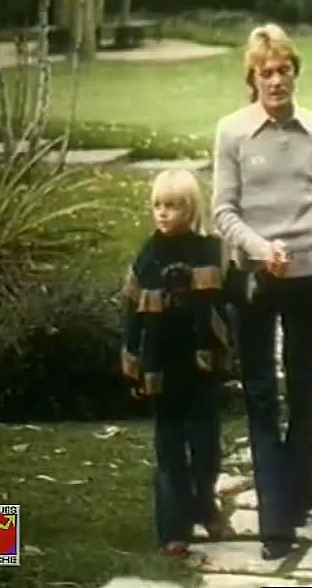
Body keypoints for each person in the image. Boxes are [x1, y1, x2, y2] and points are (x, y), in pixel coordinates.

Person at [211, 23, 312, 559]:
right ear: (252, 78)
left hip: (308, 279)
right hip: (254, 280)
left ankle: (295, 500)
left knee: (302, 390)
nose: (276, 80)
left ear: (295, 73)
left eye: (284, 70)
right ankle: (274, 523)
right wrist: (259, 247)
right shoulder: (231, 133)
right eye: (266, 72)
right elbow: (223, 211)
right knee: (263, 397)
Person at [120, 169, 231, 557]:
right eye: (158, 206)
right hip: (160, 368)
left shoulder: (210, 251)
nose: (163, 213)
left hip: (202, 367)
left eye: (173, 206)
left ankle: (205, 502)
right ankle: (174, 527)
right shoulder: (148, 257)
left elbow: (230, 301)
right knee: (169, 450)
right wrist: (132, 362)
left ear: (191, 208)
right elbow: (132, 314)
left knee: (206, 446)